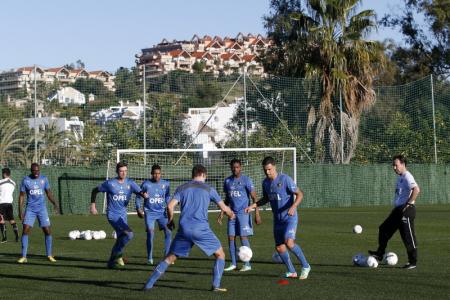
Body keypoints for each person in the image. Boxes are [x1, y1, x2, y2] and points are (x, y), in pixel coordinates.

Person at [143, 164, 235, 292]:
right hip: (201, 230)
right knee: (220, 255)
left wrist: (170, 220)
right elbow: (224, 208)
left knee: (169, 258)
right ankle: (216, 285)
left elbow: (170, 206)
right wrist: (231, 215)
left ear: (193, 175)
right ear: (203, 175)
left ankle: (148, 284)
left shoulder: (182, 188)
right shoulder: (209, 189)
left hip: (184, 230)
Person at [246, 156, 311, 280]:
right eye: (265, 170)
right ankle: (291, 271)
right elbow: (266, 199)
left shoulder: (285, 179)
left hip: (289, 218)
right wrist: (253, 206)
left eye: (269, 169)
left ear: (274, 167)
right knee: (279, 247)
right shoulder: (265, 182)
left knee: (289, 243)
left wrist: (293, 206)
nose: (267, 172)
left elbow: (300, 194)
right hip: (277, 219)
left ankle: (306, 266)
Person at [91, 161, 148, 268]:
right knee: (129, 234)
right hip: (113, 215)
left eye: (125, 171)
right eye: (121, 171)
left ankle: (113, 261)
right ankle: (116, 257)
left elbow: (139, 192)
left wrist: (144, 194)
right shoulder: (110, 183)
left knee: (122, 237)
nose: (123, 173)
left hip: (123, 215)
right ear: (117, 171)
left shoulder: (130, 183)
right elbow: (95, 190)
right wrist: (93, 205)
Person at [369, 155, 420, 269]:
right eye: (393, 165)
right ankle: (380, 253)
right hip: (398, 210)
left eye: (396, 165)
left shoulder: (407, 176)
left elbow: (416, 190)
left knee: (407, 236)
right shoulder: (400, 177)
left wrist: (408, 204)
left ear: (403, 164)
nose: (394, 167)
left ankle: (413, 262)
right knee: (383, 229)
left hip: (406, 210)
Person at [218, 158, 261, 272]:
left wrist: (257, 213)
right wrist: (222, 213)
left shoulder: (246, 180)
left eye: (237, 167)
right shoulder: (227, 181)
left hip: (243, 213)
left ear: (240, 167)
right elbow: (227, 199)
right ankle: (233, 263)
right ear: (230, 168)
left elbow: (254, 198)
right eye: (233, 167)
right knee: (231, 237)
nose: (235, 169)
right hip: (231, 214)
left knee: (243, 237)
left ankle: (247, 264)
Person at [17, 163, 59, 263]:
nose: (36, 172)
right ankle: (24, 256)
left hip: (42, 209)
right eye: (34, 171)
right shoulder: (26, 180)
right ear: (31, 171)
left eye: (38, 170)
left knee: (47, 231)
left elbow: (48, 193)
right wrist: (20, 211)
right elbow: (22, 196)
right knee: (25, 230)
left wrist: (55, 203)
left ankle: (49, 255)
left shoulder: (44, 179)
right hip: (30, 209)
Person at [136, 164, 172, 265]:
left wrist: (170, 204)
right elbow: (138, 197)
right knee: (151, 233)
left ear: (161, 174)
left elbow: (167, 196)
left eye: (159, 173)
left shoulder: (166, 184)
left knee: (168, 231)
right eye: (155, 173)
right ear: (151, 174)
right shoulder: (146, 184)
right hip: (149, 213)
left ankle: (167, 256)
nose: (157, 175)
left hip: (162, 213)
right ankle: (150, 258)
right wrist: (138, 208)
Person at [0, 168, 19, 243]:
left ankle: (4, 238)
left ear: (4, 174)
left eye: (2, 173)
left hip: (1, 203)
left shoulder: (0, 182)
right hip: (9, 203)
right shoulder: (13, 183)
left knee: (1, 220)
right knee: (12, 220)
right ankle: (17, 236)